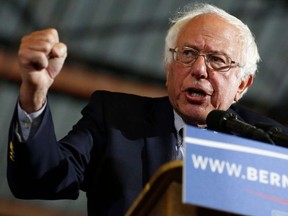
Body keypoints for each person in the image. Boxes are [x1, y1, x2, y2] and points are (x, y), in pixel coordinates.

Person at [7, 3, 288, 216]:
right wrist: (34, 92)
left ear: (243, 84)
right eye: (187, 54)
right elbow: (39, 179)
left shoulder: (268, 146)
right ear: (168, 67)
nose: (199, 70)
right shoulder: (116, 119)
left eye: (217, 60)